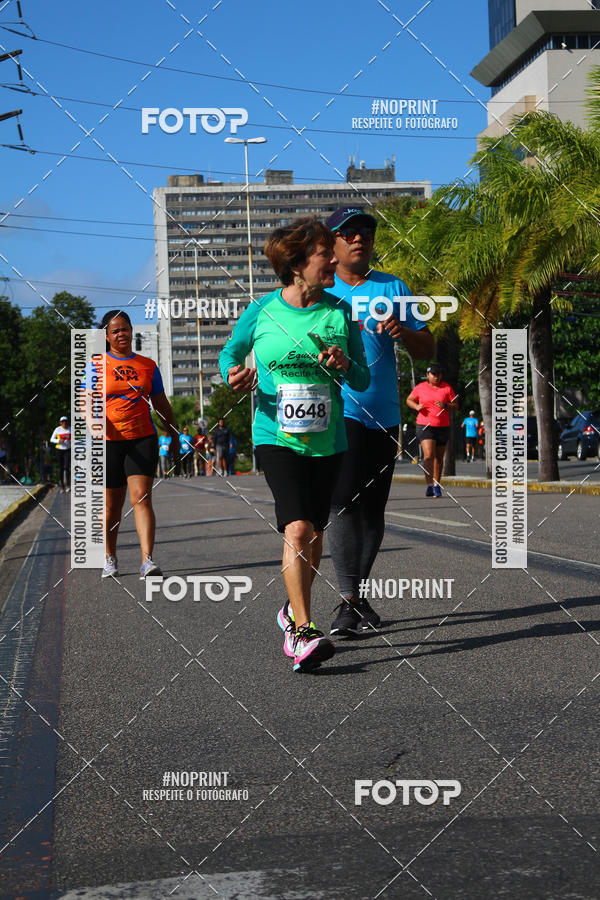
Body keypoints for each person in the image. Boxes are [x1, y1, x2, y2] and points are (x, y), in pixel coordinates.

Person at [219, 216, 370, 673]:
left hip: (328, 441)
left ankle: (291, 608)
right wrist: (232, 374)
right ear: (299, 263)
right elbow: (230, 353)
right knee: (298, 529)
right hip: (275, 434)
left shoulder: (340, 312)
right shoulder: (261, 311)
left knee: (316, 533)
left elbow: (361, 377)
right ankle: (302, 631)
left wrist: (344, 363)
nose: (333, 260)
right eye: (325, 253)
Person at [324, 206, 435, 636]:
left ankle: (356, 596)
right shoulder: (321, 288)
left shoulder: (393, 287)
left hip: (385, 414)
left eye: (366, 230)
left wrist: (403, 333)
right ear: (332, 242)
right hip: (340, 410)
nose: (359, 238)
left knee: (373, 510)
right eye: (348, 232)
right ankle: (348, 599)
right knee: (343, 502)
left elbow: (426, 348)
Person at [98, 310, 179, 579]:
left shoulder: (148, 365)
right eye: (115, 331)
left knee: (141, 497)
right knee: (112, 506)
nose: (121, 334)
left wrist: (174, 433)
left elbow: (161, 403)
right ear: (106, 336)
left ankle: (147, 561)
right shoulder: (97, 365)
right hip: (110, 441)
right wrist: (92, 424)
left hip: (143, 437)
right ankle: (110, 556)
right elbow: (87, 401)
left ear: (132, 331)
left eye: (125, 329)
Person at [407, 363, 458, 498]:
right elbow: (409, 400)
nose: (436, 377)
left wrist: (446, 405)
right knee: (429, 455)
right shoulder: (420, 387)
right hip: (425, 425)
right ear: (428, 375)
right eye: (433, 374)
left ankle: (436, 485)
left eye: (438, 374)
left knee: (439, 458)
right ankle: (429, 484)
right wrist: (416, 406)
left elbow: (456, 405)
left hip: (442, 426)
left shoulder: (446, 388)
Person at [50, 415, 72, 492]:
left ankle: (68, 485)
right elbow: (51, 439)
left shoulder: (71, 429)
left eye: (65, 422)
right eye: (63, 422)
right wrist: (59, 441)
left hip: (68, 450)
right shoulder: (57, 429)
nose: (64, 423)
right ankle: (62, 486)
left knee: (67, 467)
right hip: (59, 450)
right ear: (60, 423)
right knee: (61, 468)